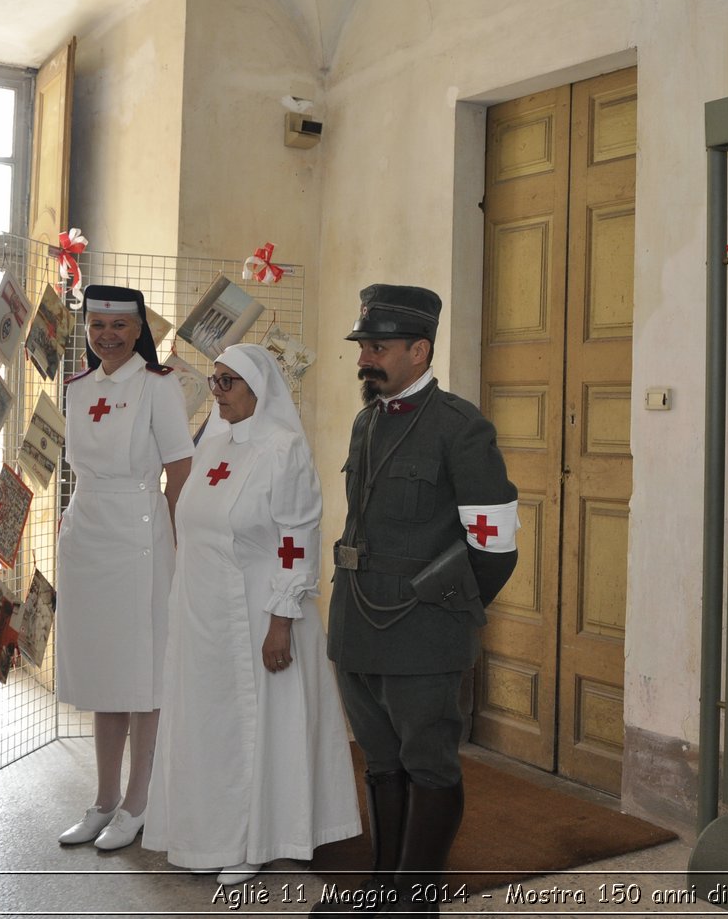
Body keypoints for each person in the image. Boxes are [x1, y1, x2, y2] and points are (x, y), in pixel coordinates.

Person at [314, 284, 518, 917]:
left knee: (429, 763)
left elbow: (496, 544)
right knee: (380, 760)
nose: (364, 359)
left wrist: (443, 613)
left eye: (377, 347)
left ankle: (416, 901)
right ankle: (383, 889)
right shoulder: (366, 421)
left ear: (419, 349)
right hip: (359, 624)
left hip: (423, 633)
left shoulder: (460, 427)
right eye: (363, 347)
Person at [144, 344, 360, 885]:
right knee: (211, 728)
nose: (217, 393)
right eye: (214, 382)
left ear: (258, 389)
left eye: (228, 383)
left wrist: (281, 617)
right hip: (205, 617)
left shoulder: (283, 450)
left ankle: (254, 840)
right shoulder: (214, 444)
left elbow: (296, 538)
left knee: (254, 728)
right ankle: (207, 832)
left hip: (259, 612)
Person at [54, 284, 194, 851]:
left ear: (139, 331)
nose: (107, 336)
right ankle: (103, 798)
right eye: (97, 327)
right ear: (87, 331)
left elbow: (180, 471)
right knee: (102, 674)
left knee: (142, 676)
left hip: (141, 536)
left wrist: (180, 545)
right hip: (85, 533)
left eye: (118, 327)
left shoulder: (158, 387)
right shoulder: (77, 387)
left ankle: (138, 802)